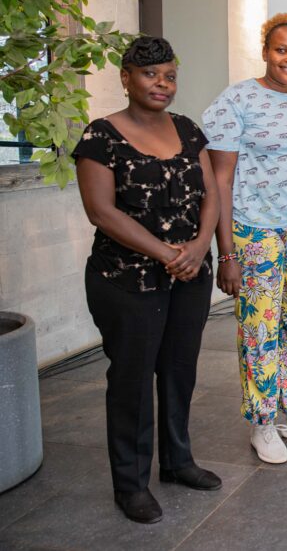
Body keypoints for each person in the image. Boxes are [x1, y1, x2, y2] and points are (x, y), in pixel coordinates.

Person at [74, 36, 221, 524]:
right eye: (150, 74)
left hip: (189, 276)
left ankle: (178, 461)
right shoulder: (101, 136)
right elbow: (101, 211)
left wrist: (200, 245)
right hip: (126, 279)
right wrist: (167, 254)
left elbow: (211, 193)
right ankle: (131, 484)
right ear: (126, 78)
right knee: (132, 380)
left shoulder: (188, 129)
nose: (162, 84)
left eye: (169, 76)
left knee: (179, 372)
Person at [203, 13, 287, 464]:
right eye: (282, 50)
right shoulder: (236, 101)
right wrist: (226, 253)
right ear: (265, 51)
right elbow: (220, 181)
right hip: (254, 229)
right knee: (260, 328)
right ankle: (262, 422)